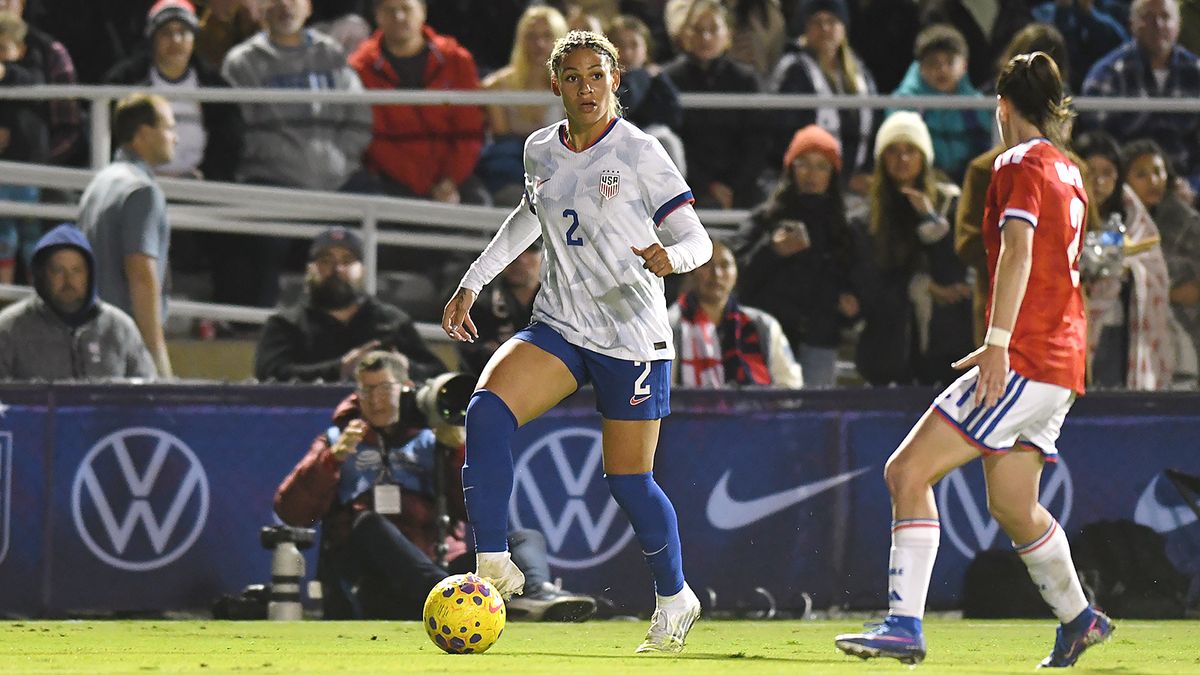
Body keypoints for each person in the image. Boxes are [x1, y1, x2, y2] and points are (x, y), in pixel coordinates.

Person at [834, 52, 1114, 667]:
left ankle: (904, 624)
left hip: (1025, 355)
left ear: (1003, 108)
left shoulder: (1016, 161)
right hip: (1064, 364)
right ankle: (1080, 617)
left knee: (906, 473)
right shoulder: (1070, 171)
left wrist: (997, 341)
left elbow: (1015, 253)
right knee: (1013, 504)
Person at [441, 30, 713, 653]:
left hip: (630, 336)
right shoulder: (541, 149)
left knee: (627, 479)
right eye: (574, 77)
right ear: (555, 85)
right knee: (485, 412)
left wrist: (673, 259)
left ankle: (675, 597)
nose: (587, 88)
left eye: (598, 75)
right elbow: (528, 217)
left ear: (616, 80)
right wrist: (472, 282)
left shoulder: (641, 152)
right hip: (561, 324)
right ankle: (493, 563)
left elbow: (700, 239)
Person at [274, 351, 596, 621]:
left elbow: (471, 510)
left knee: (525, 537)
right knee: (369, 524)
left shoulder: (433, 439)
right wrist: (331, 461)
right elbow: (290, 510)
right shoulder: (336, 440)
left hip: (436, 562)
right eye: (366, 390)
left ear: (405, 388)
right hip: (374, 581)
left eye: (383, 388)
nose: (374, 400)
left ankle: (536, 595)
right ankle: (459, 601)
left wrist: (456, 451)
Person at [221, 0, 374, 308]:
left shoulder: (331, 53)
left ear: (309, 7)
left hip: (335, 179)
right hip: (271, 179)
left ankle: (361, 320)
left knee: (379, 202)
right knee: (264, 237)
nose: (285, 6)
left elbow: (359, 118)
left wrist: (335, 160)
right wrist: (292, 160)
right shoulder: (242, 62)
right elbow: (239, 132)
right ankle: (258, 322)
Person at [733, 124, 859, 387]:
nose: (811, 174)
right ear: (790, 168)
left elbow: (856, 279)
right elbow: (735, 274)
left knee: (815, 418)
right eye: (803, 163)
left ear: (833, 174)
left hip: (820, 339)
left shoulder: (844, 227)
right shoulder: (765, 218)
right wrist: (772, 251)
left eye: (821, 166)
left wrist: (851, 306)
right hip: (768, 336)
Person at [853, 111, 972, 387]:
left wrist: (932, 223)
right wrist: (921, 286)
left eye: (910, 151)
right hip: (889, 349)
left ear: (924, 157)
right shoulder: (866, 218)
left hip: (945, 347)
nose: (902, 159)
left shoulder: (949, 205)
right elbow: (869, 281)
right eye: (893, 151)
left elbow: (954, 275)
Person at [254, 226, 445, 383]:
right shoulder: (285, 324)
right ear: (309, 269)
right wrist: (341, 369)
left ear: (362, 270)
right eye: (326, 260)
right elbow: (269, 375)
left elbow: (439, 375)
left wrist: (405, 366)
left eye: (347, 260)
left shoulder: (392, 321)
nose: (337, 269)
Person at [348, 0, 489, 205]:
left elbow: (470, 130)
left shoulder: (457, 60)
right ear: (377, 16)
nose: (399, 17)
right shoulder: (360, 67)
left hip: (453, 178)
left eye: (406, 8)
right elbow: (373, 139)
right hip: (390, 177)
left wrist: (449, 181)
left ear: (422, 12)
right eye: (390, 10)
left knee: (481, 206)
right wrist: (426, 186)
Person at [78, 93, 176, 379]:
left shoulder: (99, 183)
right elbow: (142, 277)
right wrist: (158, 362)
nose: (176, 138)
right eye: (169, 127)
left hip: (89, 339)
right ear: (143, 134)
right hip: (124, 352)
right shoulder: (142, 191)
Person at [1076, 131, 1174, 390]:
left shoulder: (1132, 214)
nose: (1098, 181)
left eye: (1107, 173)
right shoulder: (1064, 209)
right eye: (1090, 172)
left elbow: (1153, 265)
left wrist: (1126, 267)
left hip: (1120, 328)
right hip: (1072, 328)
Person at [104, 0, 242, 183]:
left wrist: (207, 177)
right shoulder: (124, 82)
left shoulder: (216, 86)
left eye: (183, 32)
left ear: (194, 38)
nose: (175, 40)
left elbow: (229, 144)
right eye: (166, 33)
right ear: (152, 38)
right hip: (137, 183)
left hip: (202, 189)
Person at [0, 224, 155, 380]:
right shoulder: (9, 328)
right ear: (42, 275)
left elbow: (149, 393)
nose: (68, 280)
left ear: (90, 274)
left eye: (77, 270)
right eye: (58, 270)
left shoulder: (120, 327)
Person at [1081, 0, 1200, 194]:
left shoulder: (1195, 72)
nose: (1158, 24)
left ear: (1178, 25)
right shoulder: (1109, 73)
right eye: (1148, 17)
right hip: (1125, 191)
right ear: (1132, 24)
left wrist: (1194, 187)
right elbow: (1100, 144)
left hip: (1186, 190)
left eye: (1165, 17)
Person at [662, 0, 765, 209]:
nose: (705, 37)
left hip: (739, 185)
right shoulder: (669, 78)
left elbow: (757, 140)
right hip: (685, 182)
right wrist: (707, 184)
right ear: (685, 34)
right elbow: (672, 140)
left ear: (728, 34)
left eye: (713, 29)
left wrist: (732, 184)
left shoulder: (746, 79)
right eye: (698, 30)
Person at [770, 0, 876, 187]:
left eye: (832, 21)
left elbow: (874, 124)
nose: (825, 28)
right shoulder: (793, 71)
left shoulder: (860, 73)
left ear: (843, 27)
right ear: (805, 28)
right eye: (816, 22)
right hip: (807, 182)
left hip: (854, 182)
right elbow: (783, 134)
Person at [669, 240, 802, 388]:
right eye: (706, 265)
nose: (716, 274)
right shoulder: (671, 324)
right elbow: (663, 389)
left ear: (736, 273)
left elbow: (790, 386)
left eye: (725, 265)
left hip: (755, 410)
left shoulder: (763, 325)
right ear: (691, 272)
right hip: (686, 411)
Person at [1121, 138, 1200, 386]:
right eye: (1141, 174)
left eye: (1157, 172)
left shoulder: (1187, 224)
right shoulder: (1117, 222)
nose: (1153, 181)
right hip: (1128, 335)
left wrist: (1157, 293)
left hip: (1185, 333)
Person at [476, 5, 568, 205]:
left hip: (558, 162)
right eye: (531, 36)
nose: (539, 44)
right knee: (505, 152)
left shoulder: (572, 85)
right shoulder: (497, 85)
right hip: (514, 167)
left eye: (547, 36)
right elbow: (501, 134)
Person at [890, 23, 993, 183]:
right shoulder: (903, 105)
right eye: (933, 63)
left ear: (964, 66)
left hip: (970, 182)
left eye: (950, 62)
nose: (942, 69)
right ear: (920, 67)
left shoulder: (978, 106)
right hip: (920, 182)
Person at [0, 10, 47, 284]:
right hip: (4, 171)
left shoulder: (32, 73)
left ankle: (37, 295)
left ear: (21, 49)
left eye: (4, 48)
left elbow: (34, 85)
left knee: (31, 234)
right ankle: (4, 299)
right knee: (3, 235)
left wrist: (6, 71)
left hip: (28, 170)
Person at [455, 244, 541, 378]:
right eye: (514, 248)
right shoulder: (477, 303)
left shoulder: (557, 303)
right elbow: (470, 358)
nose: (520, 259)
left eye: (530, 250)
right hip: (491, 387)